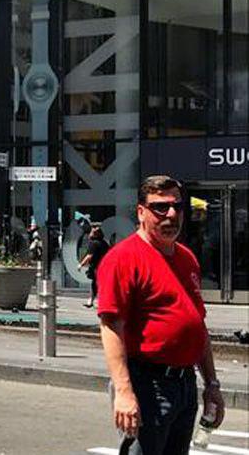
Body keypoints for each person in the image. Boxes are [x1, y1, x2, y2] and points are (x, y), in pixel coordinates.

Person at [98, 175, 224, 454]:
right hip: (147, 384)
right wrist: (124, 391)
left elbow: (198, 326)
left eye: (177, 207)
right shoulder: (123, 258)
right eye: (160, 207)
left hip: (184, 384)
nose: (171, 214)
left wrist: (212, 384)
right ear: (141, 212)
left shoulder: (186, 258)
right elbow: (110, 326)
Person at [79, 224, 110, 308]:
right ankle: (92, 301)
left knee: (97, 284)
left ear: (95, 234)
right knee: (97, 284)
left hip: (97, 267)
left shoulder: (93, 243)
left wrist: (81, 265)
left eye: (91, 232)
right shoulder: (104, 243)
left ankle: (97, 301)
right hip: (104, 266)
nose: (89, 234)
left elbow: (89, 256)